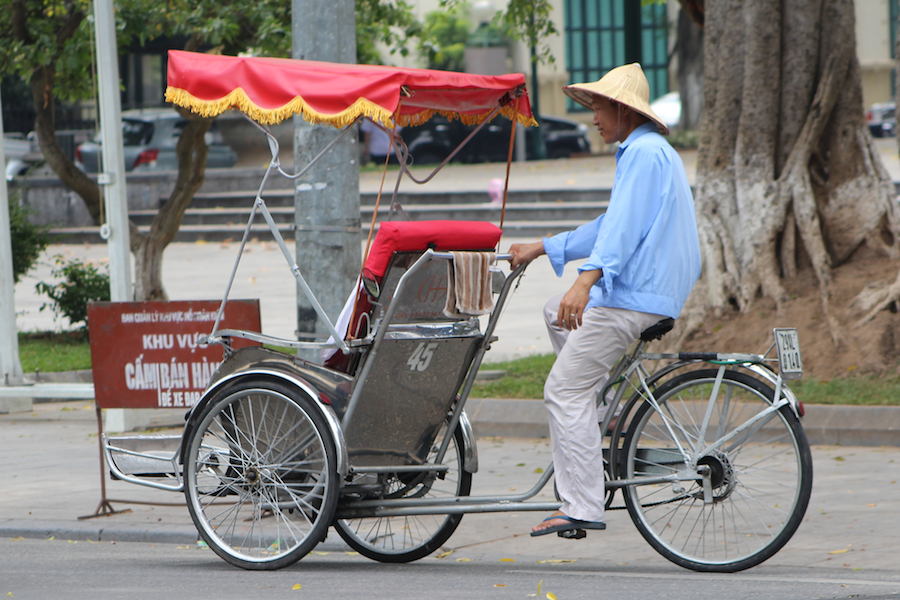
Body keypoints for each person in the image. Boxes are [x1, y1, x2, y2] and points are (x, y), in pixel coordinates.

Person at [508, 63, 702, 537]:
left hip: (634, 295)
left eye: (597, 108)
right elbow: (609, 224)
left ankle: (581, 505)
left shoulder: (642, 155)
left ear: (621, 108)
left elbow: (620, 232)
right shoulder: (651, 152)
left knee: (563, 390)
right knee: (554, 312)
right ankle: (602, 413)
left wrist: (586, 280)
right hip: (651, 291)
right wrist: (544, 246)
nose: (593, 118)